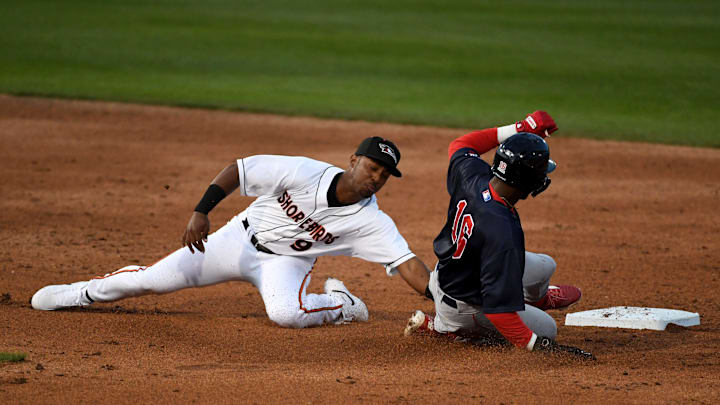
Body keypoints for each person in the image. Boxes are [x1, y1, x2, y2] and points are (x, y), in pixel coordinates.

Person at [31, 137, 432, 328]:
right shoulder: (303, 171)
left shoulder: (371, 221)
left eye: (384, 174)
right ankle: (80, 293)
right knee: (150, 281)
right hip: (236, 239)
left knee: (287, 314)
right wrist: (201, 211)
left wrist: (445, 297)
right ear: (354, 160)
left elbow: (409, 264)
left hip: (287, 263)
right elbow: (239, 170)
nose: (376, 178)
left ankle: (341, 304)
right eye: (372, 167)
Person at [404, 111, 594, 359]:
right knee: (548, 329)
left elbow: (461, 144)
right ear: (528, 183)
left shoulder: (474, 174)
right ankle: (447, 329)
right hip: (465, 307)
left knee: (545, 265)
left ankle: (536, 300)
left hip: (448, 274)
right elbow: (499, 312)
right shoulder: (502, 231)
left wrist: (520, 127)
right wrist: (539, 346)